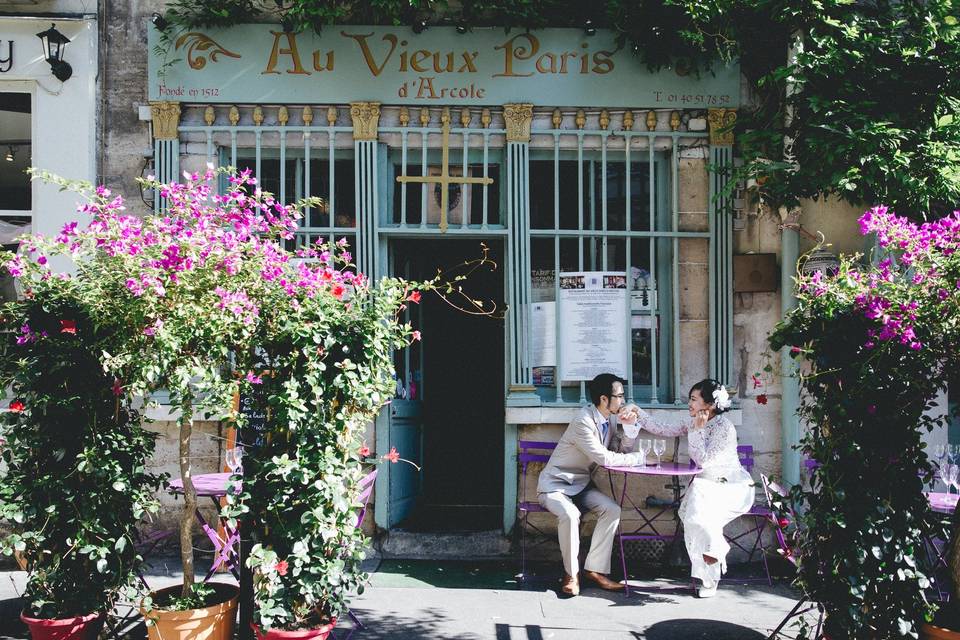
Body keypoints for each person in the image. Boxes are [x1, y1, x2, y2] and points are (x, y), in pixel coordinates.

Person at [633, 378, 754, 598]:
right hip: (705, 488)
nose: (688, 403)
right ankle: (712, 567)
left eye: (693, 399)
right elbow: (661, 428)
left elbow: (704, 462)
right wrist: (637, 412)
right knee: (698, 512)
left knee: (700, 500)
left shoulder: (724, 428)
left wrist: (698, 431)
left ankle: (711, 576)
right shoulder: (691, 422)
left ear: (708, 404)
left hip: (731, 487)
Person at [537, 373, 645, 596]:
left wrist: (630, 429)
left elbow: (618, 451)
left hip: (581, 486)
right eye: (620, 396)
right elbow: (605, 458)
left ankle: (595, 571)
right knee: (570, 515)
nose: (623, 401)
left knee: (612, 509)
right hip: (555, 486)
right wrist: (639, 458)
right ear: (604, 399)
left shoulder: (610, 419)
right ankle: (571, 574)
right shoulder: (583, 421)